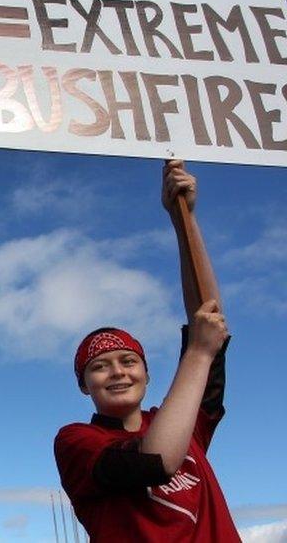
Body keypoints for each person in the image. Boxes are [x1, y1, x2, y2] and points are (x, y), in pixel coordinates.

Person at [54, 160, 240, 542]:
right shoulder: (76, 441)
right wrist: (197, 354)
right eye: (100, 367)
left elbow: (208, 320)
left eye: (128, 361)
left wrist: (182, 219)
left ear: (147, 373)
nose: (118, 372)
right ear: (84, 386)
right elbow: (155, 462)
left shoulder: (187, 423)